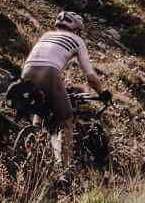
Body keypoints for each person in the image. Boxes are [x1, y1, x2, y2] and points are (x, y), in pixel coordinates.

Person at [21, 11, 107, 167]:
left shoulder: (46, 35)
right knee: (66, 119)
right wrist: (102, 93)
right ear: (76, 28)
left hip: (26, 72)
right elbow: (90, 77)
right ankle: (64, 169)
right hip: (49, 73)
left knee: (41, 111)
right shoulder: (77, 40)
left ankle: (31, 155)